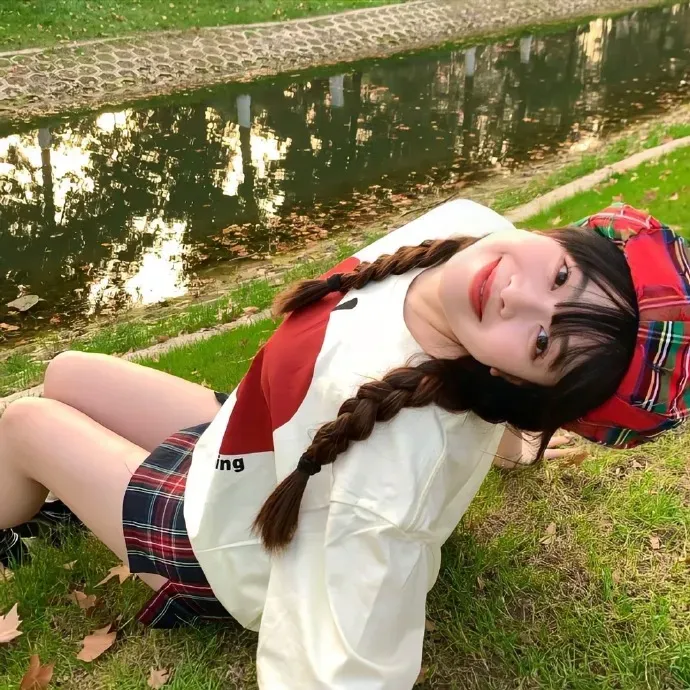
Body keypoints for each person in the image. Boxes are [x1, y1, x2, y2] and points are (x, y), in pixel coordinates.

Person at [0, 199, 687, 689]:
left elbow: (346, 663)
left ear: (515, 381)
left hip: (219, 544)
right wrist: (515, 447)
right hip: (258, 442)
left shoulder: (380, 477)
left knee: (23, 423)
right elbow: (497, 400)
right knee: (66, 371)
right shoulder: (476, 229)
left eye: (541, 342)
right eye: (561, 276)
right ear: (568, 237)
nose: (517, 295)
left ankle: (17, 524)